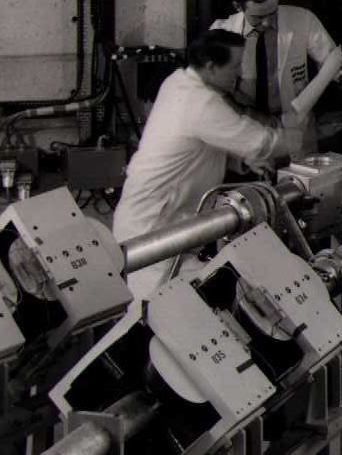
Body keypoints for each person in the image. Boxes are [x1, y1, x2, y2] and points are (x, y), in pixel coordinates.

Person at [112, 29, 286, 299]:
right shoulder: (200, 103)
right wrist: (301, 137)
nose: (240, 73)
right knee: (152, 312)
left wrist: (240, 163)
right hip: (152, 230)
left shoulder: (178, 81)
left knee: (194, 302)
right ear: (211, 67)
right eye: (235, 66)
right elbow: (262, 142)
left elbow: (198, 144)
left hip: (170, 224)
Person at [212, 0, 342, 157]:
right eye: (258, 17)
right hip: (246, 129)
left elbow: (331, 62)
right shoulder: (221, 31)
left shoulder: (302, 19)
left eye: (273, 13)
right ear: (237, 6)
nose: (267, 23)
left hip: (293, 127)